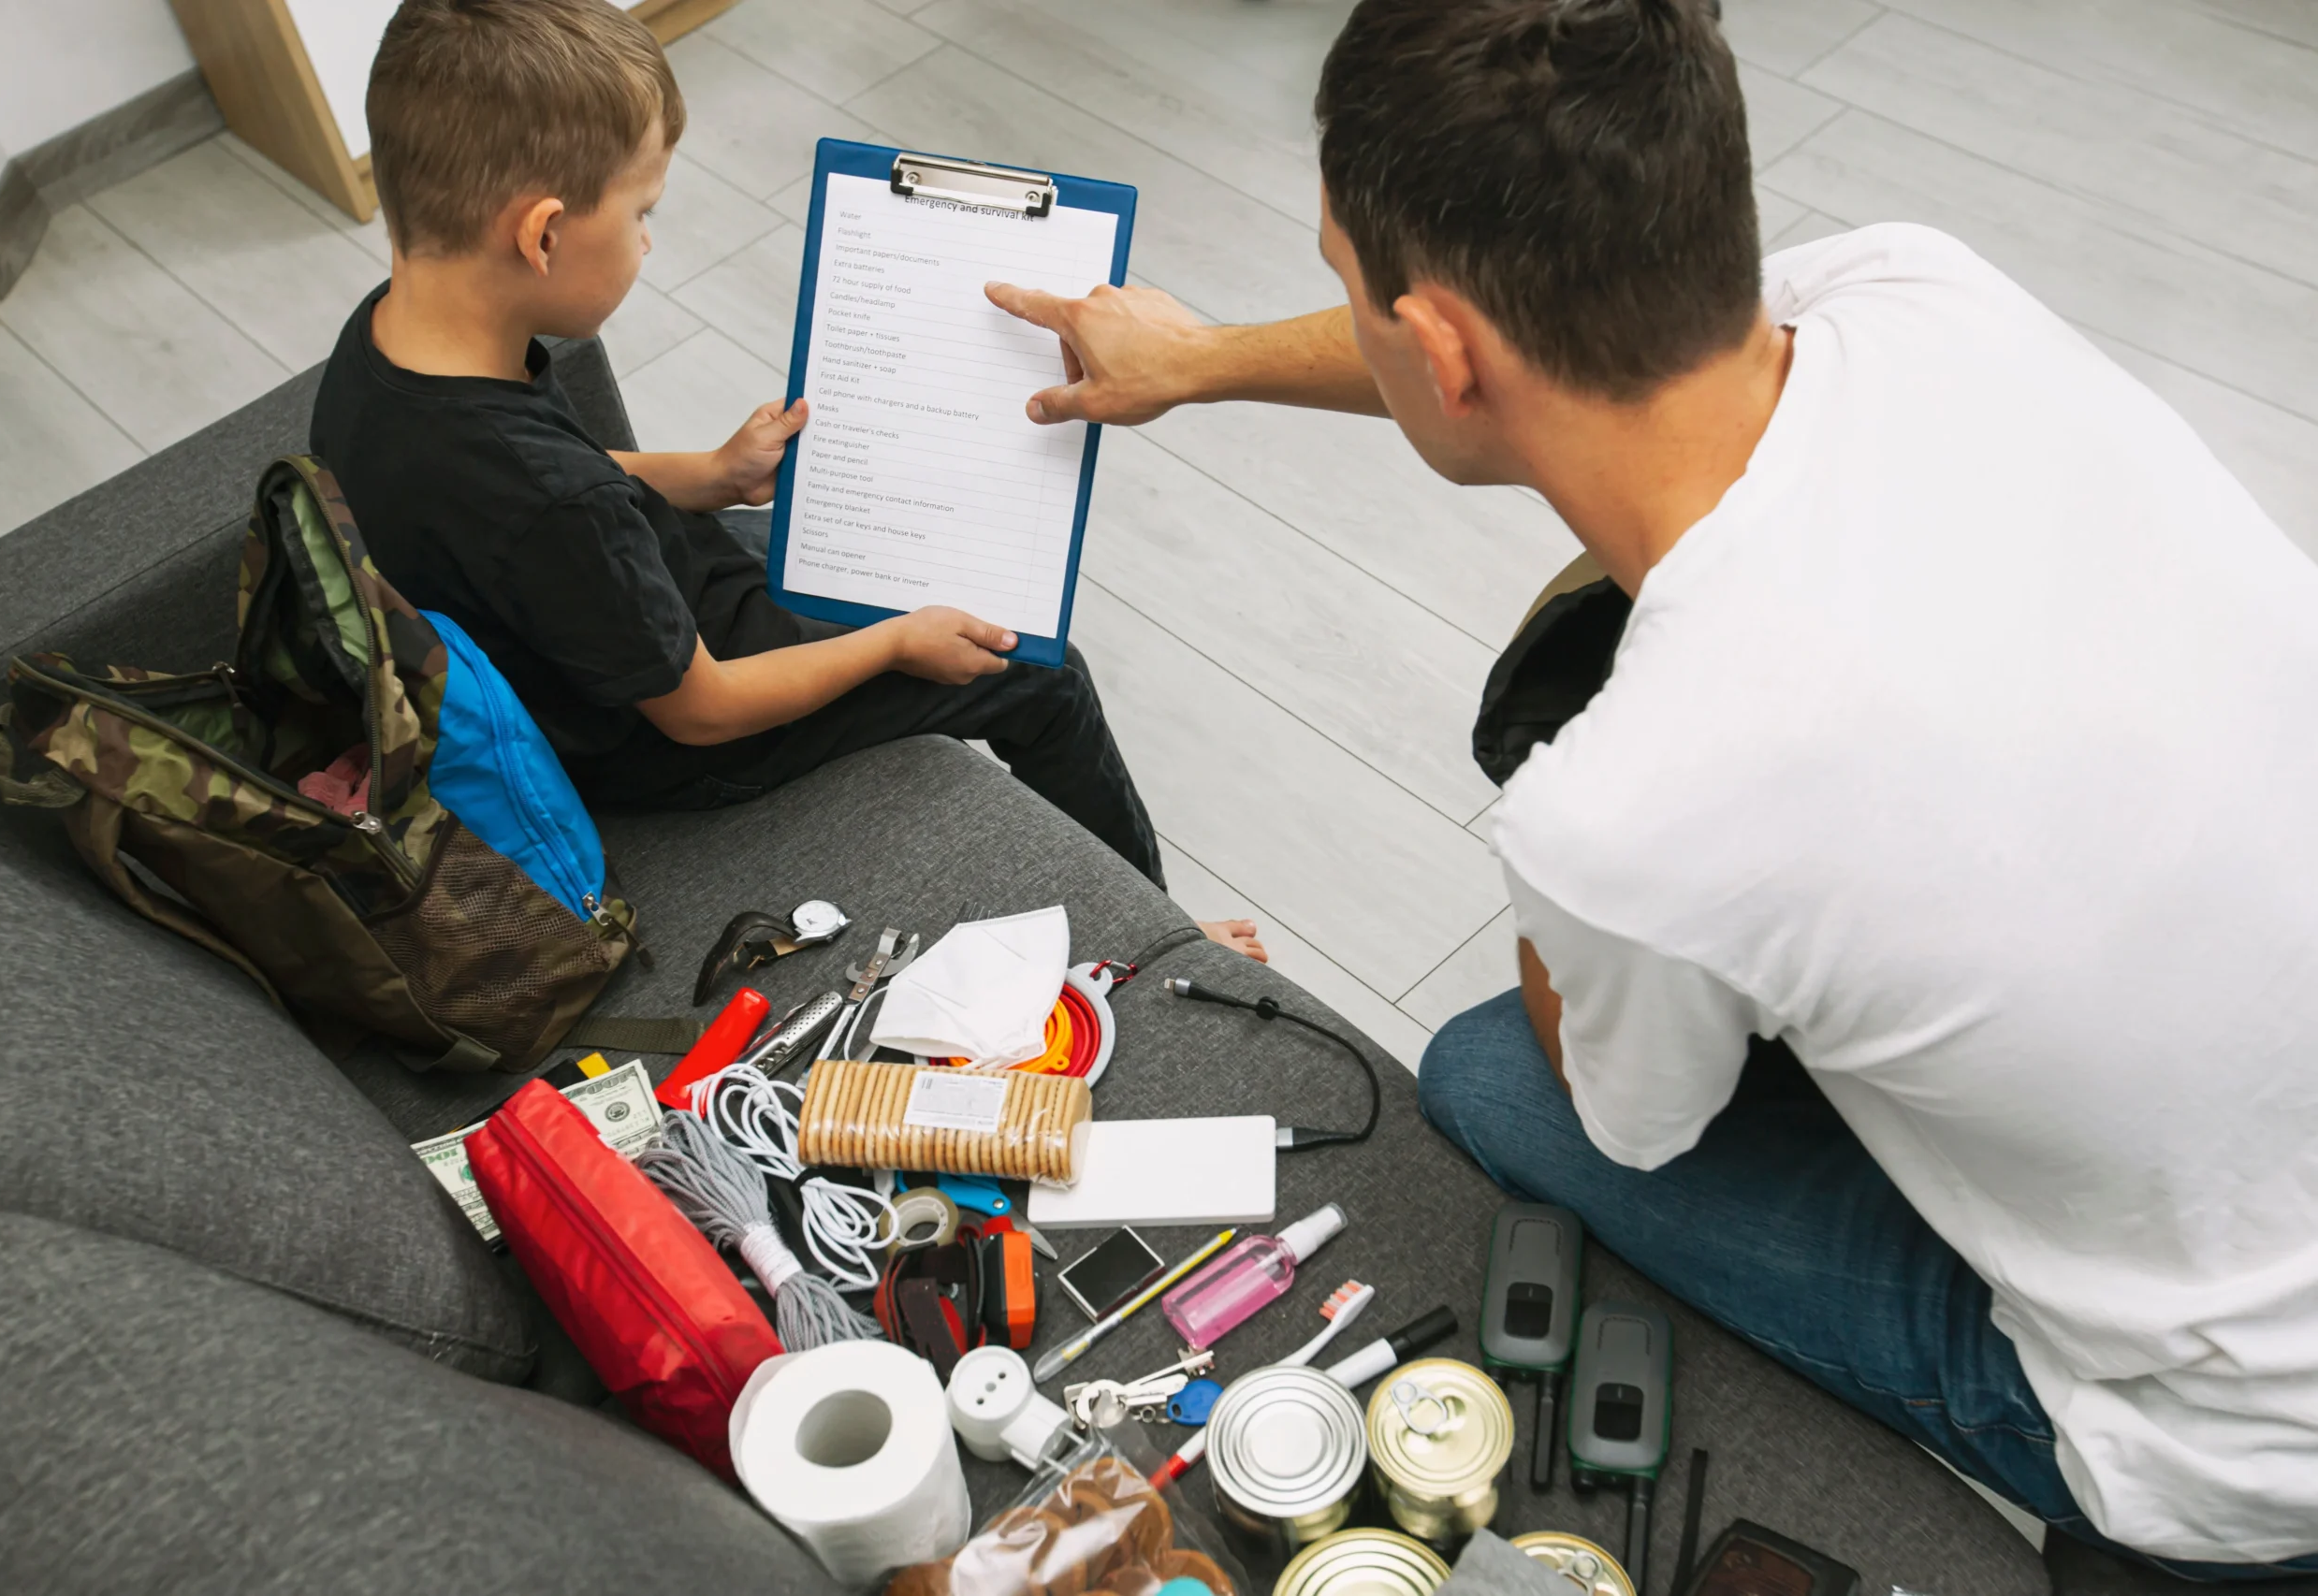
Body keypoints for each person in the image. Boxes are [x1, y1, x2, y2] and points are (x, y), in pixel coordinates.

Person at [984, 0, 2318, 1571]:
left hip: (2248, 1449)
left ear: (1440, 350)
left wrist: (1599, 893)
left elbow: (1640, 1122)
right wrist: (1199, 359)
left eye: (1349, 291)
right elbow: (1525, 336)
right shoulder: (1921, 286)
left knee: (1494, 1079)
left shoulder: (1631, 806)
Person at [306, 0, 1264, 959]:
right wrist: (894, 643)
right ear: (543, 234)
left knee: (885, 545)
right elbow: (701, 708)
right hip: (670, 724)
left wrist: (714, 475)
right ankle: (1164, 937)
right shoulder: (557, 505)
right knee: (1040, 674)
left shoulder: (391, 339)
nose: (649, 239)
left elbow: (543, 487)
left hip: (612, 619)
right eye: (642, 212)